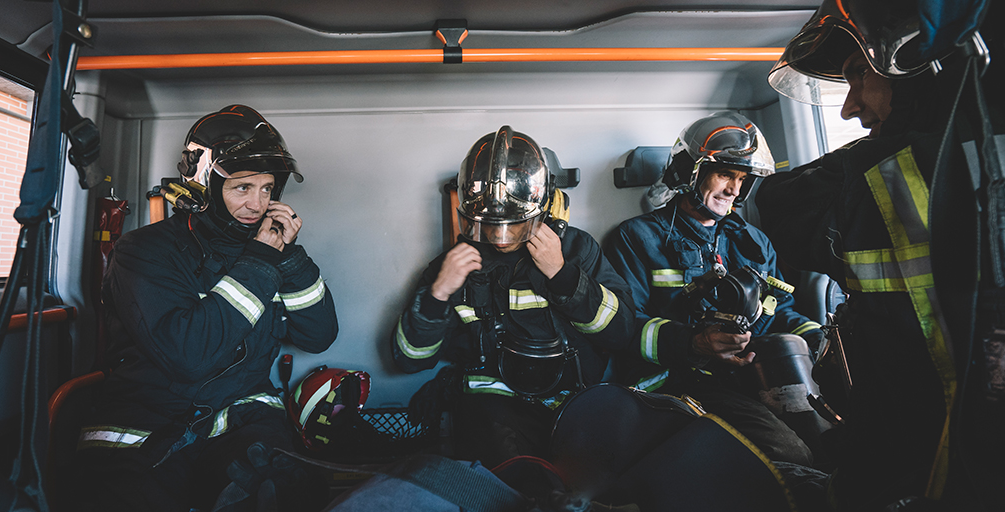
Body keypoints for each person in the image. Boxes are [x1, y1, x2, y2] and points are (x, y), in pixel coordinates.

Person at [757, 0, 1003, 509]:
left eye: (856, 78)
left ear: (914, 66)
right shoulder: (972, 158)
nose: (848, 108)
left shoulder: (886, 174)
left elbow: (782, 203)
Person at [73, 105, 338, 511]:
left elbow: (318, 336)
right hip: (145, 430)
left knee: (286, 491)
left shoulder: (271, 252)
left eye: (268, 188)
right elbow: (189, 357)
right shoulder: (144, 252)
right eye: (242, 187)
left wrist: (289, 259)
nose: (257, 204)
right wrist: (261, 263)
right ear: (203, 185)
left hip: (242, 422)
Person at [392, 125, 635, 468]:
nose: (500, 237)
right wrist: (438, 294)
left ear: (545, 207)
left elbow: (622, 332)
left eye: (514, 223)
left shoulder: (577, 250)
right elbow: (408, 359)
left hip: (573, 407)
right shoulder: (451, 266)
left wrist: (564, 276)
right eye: (489, 223)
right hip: (489, 414)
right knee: (515, 482)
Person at [604, 111, 826, 468]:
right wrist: (694, 343)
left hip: (755, 373)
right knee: (790, 455)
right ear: (688, 171)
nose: (734, 190)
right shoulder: (637, 239)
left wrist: (817, 339)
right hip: (677, 382)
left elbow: (777, 310)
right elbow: (625, 328)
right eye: (725, 174)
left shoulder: (753, 242)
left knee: (829, 438)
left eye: (742, 179)